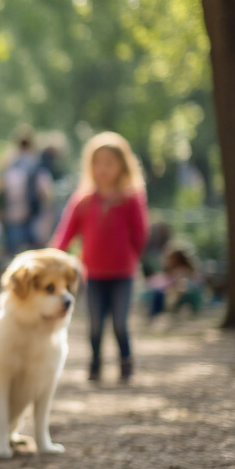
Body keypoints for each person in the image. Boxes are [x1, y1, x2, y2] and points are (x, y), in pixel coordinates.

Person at [51, 131, 149, 384]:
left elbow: (140, 234)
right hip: (93, 274)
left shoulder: (130, 199)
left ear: (122, 166)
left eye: (109, 163)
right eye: (98, 163)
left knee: (119, 322)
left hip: (122, 274)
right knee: (94, 324)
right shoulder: (83, 201)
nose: (103, 169)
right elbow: (66, 234)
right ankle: (95, 364)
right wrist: (53, 257)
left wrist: (130, 258)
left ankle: (126, 363)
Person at [0, 126, 42, 258]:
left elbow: (1, 187)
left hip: (13, 213)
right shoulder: (34, 163)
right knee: (31, 251)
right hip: (29, 213)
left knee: (15, 252)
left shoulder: (10, 163)